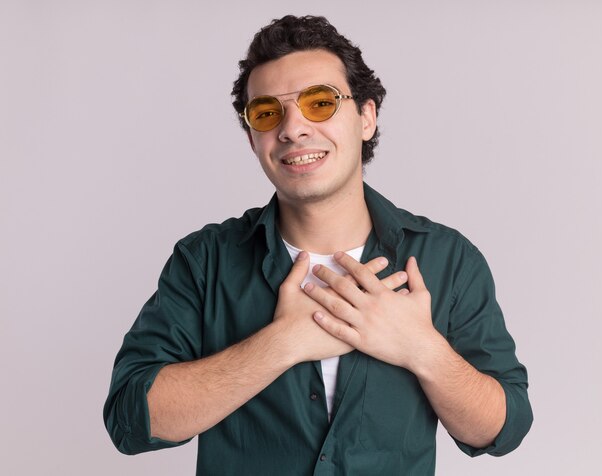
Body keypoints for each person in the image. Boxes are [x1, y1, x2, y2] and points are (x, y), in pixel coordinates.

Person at [104, 15, 532, 475]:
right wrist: (280, 344)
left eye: (320, 103)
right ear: (253, 138)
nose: (292, 128)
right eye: (268, 113)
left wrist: (420, 348)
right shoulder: (204, 261)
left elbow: (502, 430)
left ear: (366, 117)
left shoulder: (447, 259)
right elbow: (130, 419)